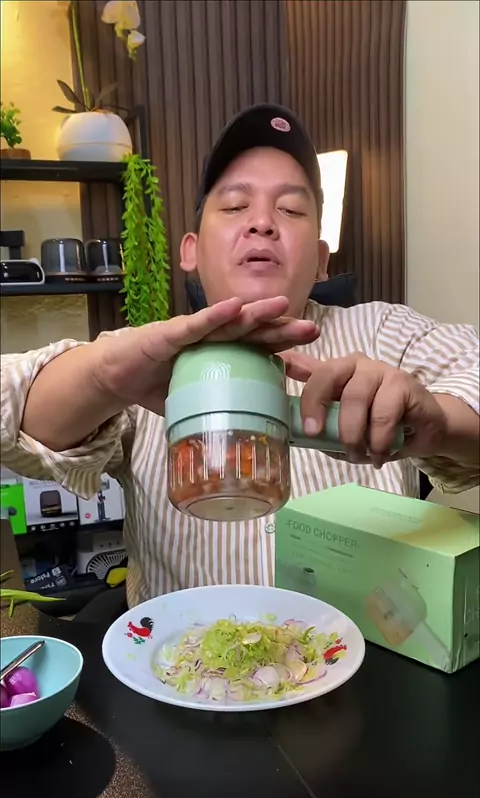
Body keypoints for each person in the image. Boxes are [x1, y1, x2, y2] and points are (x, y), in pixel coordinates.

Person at [1, 104, 478, 606]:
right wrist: (103, 379)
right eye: (233, 206)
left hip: (367, 649)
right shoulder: (144, 359)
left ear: (321, 259)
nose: (262, 223)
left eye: (290, 209)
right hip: (184, 653)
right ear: (190, 250)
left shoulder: (384, 333)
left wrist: (439, 422)